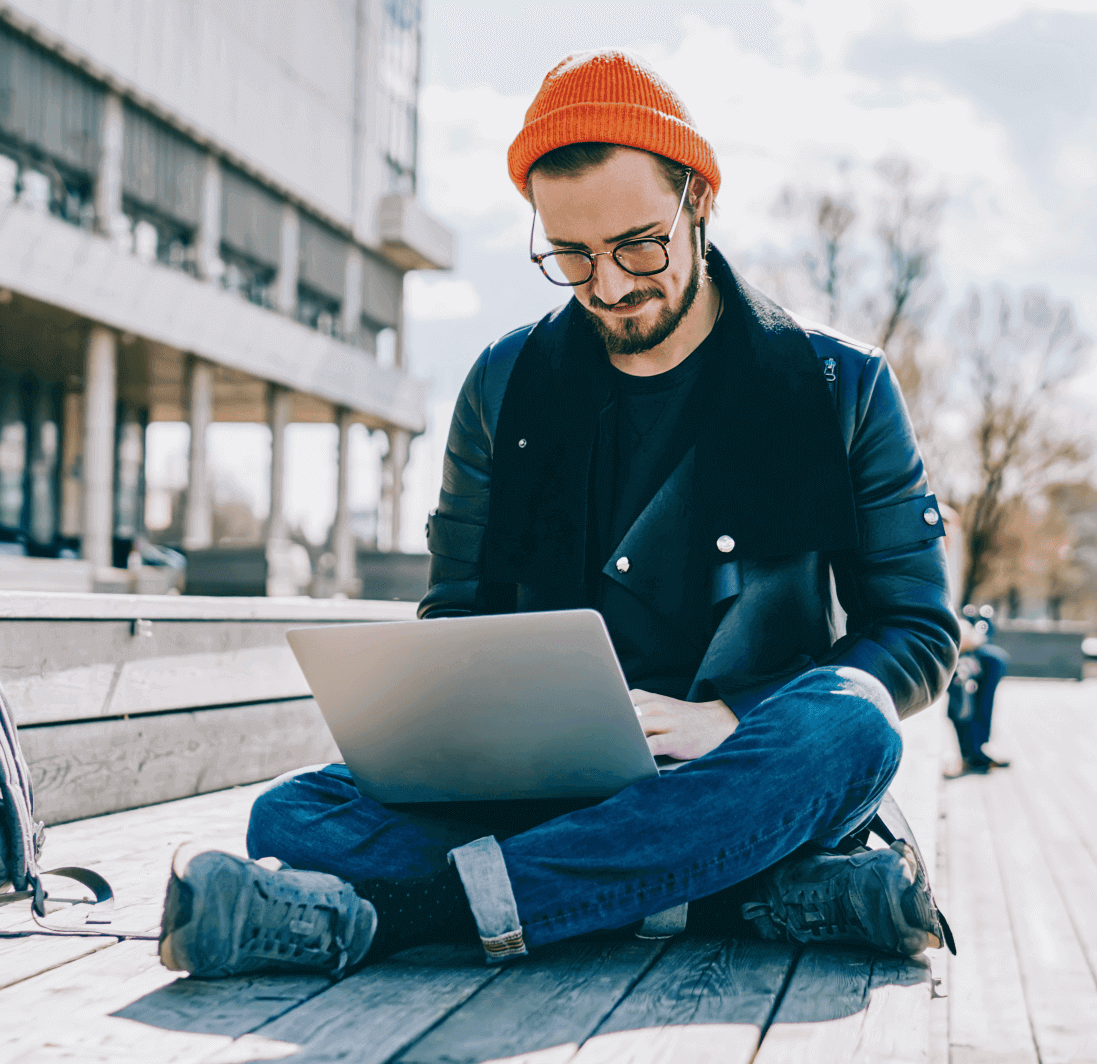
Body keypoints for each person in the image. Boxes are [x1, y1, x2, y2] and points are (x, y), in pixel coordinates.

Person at [157, 50, 960, 978]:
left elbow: (915, 632)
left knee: (854, 725)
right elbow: (456, 614)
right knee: (294, 817)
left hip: (746, 769)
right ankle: (735, 894)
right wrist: (487, 738)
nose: (610, 286)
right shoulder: (503, 385)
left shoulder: (838, 385)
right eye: (570, 255)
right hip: (546, 791)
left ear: (698, 197)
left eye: (638, 246)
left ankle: (399, 917)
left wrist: (732, 720)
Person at [949, 611, 1011, 775]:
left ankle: (977, 749)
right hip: (952, 651)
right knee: (961, 697)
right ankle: (970, 753)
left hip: (963, 647)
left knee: (995, 660)